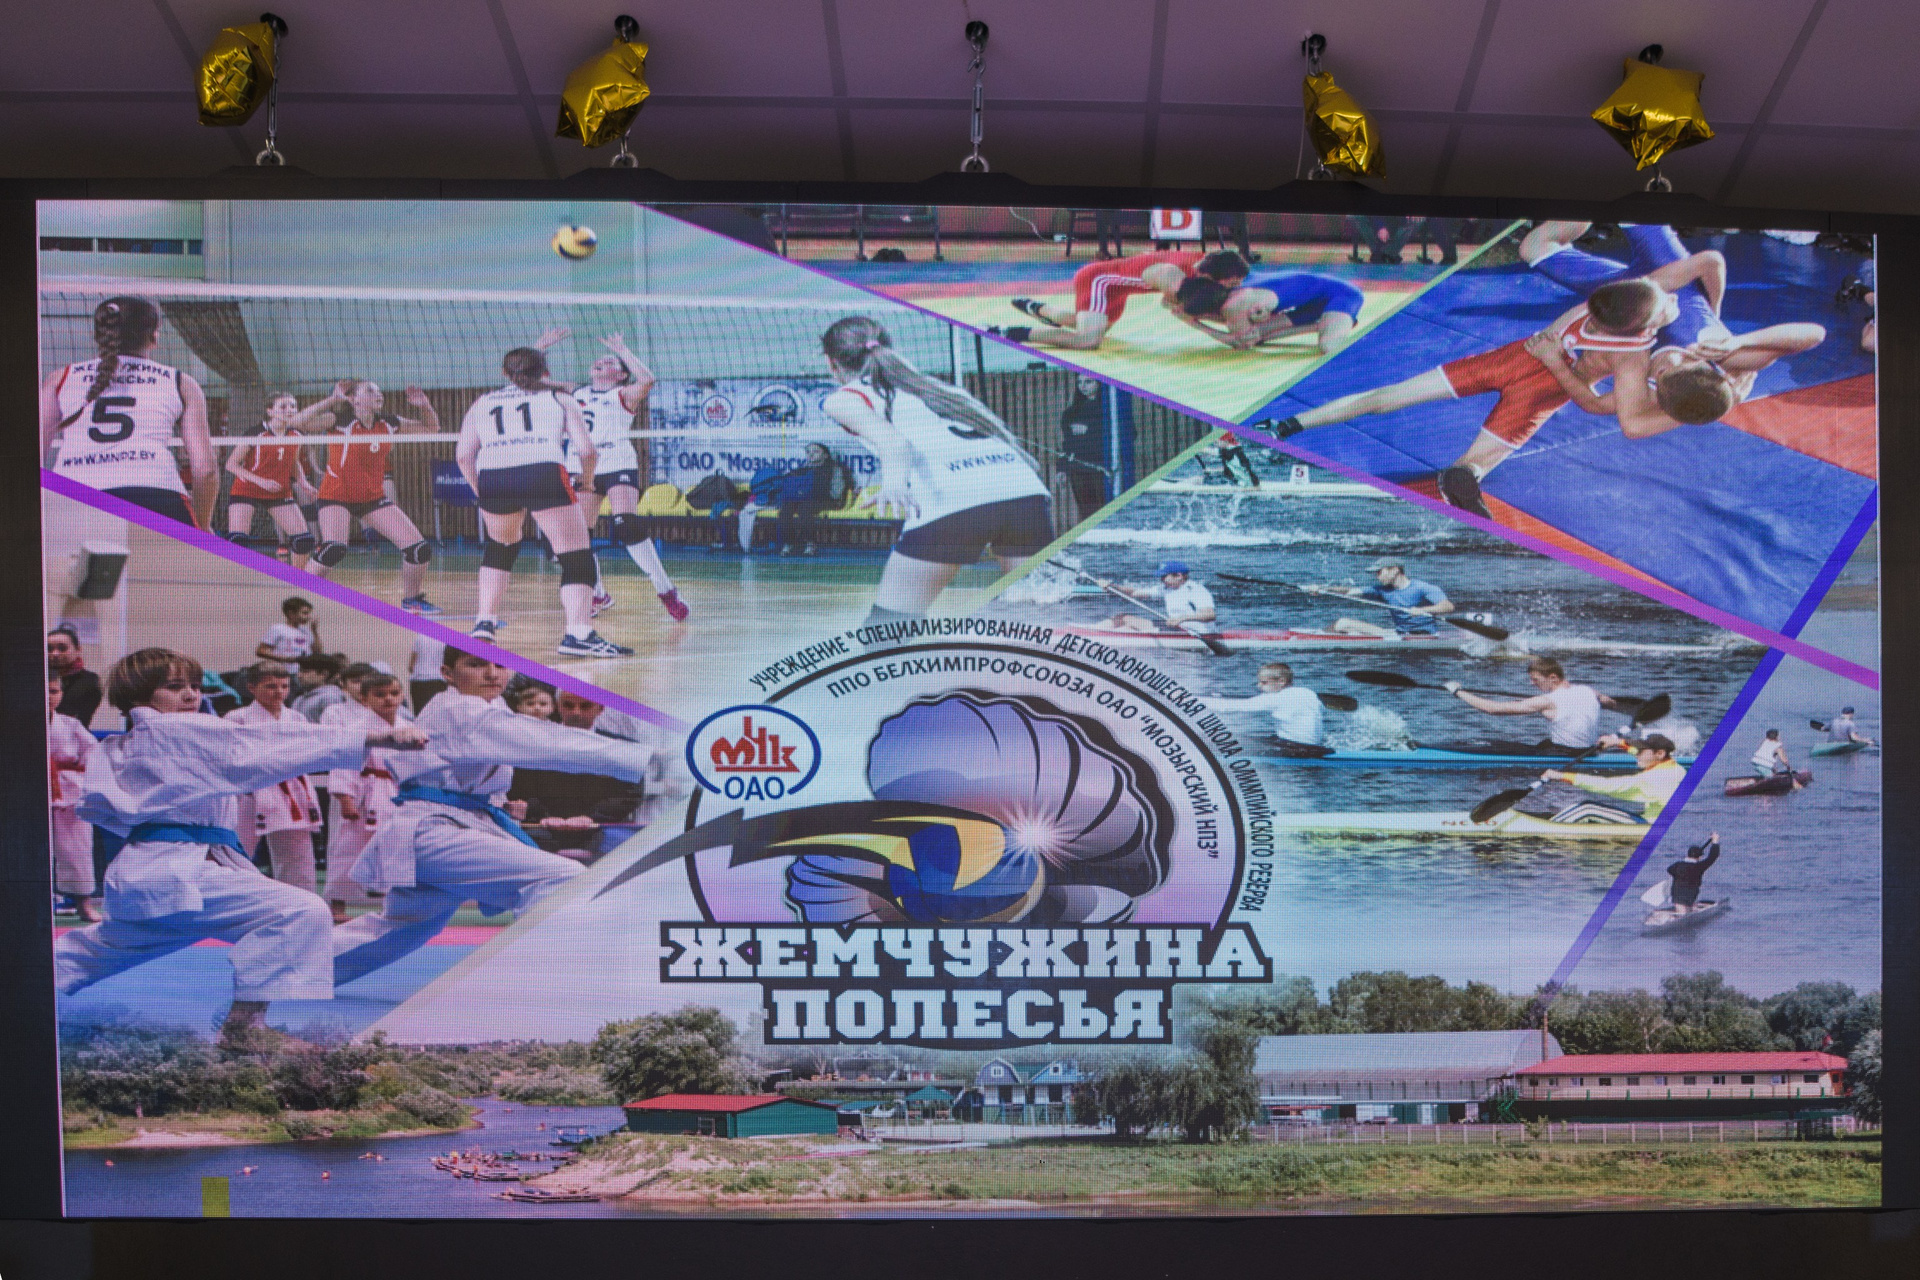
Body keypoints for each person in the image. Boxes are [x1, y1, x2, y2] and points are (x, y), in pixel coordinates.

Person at [52, 647, 425, 1041]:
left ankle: (24, 983)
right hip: (177, 870)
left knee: (95, 952)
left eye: (194, 686)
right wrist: (374, 736)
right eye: (174, 687)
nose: (191, 694)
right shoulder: (176, 730)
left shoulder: (130, 742)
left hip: (151, 873)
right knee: (300, 910)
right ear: (139, 695)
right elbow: (263, 743)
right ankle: (245, 1027)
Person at [1266, 257, 1727, 516]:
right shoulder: (1632, 358)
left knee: (1383, 399)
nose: (1674, 302)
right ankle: (1457, 484)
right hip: (1545, 390)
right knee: (1472, 469)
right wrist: (1713, 324)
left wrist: (1705, 313)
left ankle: (1285, 425)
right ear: (1643, 327)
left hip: (1512, 358)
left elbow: (1704, 263)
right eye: (1666, 307)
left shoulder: (1613, 301)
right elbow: (1598, 408)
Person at [331, 647, 651, 986]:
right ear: (447, 673)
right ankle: (541, 983)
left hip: (448, 825)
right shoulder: (460, 709)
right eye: (476, 664)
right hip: (434, 830)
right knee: (563, 877)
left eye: (500, 665)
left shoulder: (489, 707)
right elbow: (547, 743)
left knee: (398, 930)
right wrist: (646, 757)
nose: (492, 673)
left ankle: (295, 972)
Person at [819, 317, 1054, 624]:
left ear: (832, 363)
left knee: (888, 632)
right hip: (1023, 492)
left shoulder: (844, 398)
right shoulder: (938, 388)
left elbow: (894, 443)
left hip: (953, 499)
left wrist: (893, 485)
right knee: (1036, 617)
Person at [457, 347, 634, 658]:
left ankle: (484, 623)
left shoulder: (482, 402)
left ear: (504, 373)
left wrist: (480, 490)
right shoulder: (559, 398)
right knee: (576, 555)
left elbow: (463, 456)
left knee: (500, 547)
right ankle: (579, 634)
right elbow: (587, 451)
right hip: (542, 472)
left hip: (494, 477)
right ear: (546, 373)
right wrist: (587, 481)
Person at [534, 328, 689, 621]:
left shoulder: (623, 394)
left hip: (616, 460)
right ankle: (597, 593)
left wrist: (622, 351)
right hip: (582, 463)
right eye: (600, 361)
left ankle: (667, 591)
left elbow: (648, 380)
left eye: (610, 363)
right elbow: (530, 380)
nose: (601, 362)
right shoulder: (574, 391)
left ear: (620, 375)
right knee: (580, 535)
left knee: (626, 525)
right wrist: (541, 346)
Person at [40, 296, 218, 526]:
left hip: (74, 496)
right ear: (154, 336)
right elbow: (206, 470)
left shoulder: (60, 379)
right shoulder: (180, 382)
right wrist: (202, 526)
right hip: (155, 495)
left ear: (99, 335)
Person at [296, 378, 442, 615]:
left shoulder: (388, 423)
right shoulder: (339, 421)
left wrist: (425, 406)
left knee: (418, 549)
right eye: (371, 390)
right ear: (353, 399)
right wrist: (332, 400)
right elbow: (298, 422)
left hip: (371, 498)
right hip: (336, 495)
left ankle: (412, 600)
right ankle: (299, 598)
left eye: (379, 390)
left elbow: (431, 428)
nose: (378, 394)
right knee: (334, 548)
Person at [989, 250, 1251, 351]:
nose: (1233, 290)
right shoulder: (1172, 276)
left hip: (1119, 290)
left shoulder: (1205, 264)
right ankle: (1010, 332)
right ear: (1212, 276)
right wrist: (1228, 329)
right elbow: (1176, 309)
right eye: (1231, 284)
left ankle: (1039, 309)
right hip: (1099, 280)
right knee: (1088, 340)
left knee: (1084, 324)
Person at [225, 662, 326, 896]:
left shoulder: (296, 718)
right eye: (271, 686)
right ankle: (231, 897)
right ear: (252, 687)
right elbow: (229, 756)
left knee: (297, 854)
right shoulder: (237, 718)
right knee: (237, 848)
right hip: (250, 789)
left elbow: (308, 753)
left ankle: (300, 902)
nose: (279, 692)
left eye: (284, 686)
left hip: (291, 789)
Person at [321, 670, 407, 924]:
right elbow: (343, 766)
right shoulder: (358, 729)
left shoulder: (407, 727)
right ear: (365, 699)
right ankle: (337, 904)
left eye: (394, 693)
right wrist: (345, 799)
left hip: (395, 795)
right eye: (380, 695)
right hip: (363, 796)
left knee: (393, 851)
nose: (388, 699)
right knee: (347, 850)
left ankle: (392, 905)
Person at [225, 393, 320, 570]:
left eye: (293, 406)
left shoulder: (296, 435)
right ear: (270, 411)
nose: (289, 410)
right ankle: (233, 580)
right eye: (283, 406)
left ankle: (296, 579)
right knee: (237, 541)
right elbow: (231, 464)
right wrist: (261, 481)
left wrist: (304, 484)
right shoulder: (256, 433)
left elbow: (294, 462)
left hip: (278, 491)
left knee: (303, 541)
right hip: (247, 489)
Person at [1444, 656, 1619, 752]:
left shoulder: (1546, 701)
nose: (1532, 683)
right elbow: (1609, 702)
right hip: (1588, 750)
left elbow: (1492, 709)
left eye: (1535, 680)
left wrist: (1458, 692)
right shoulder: (1589, 691)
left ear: (1553, 677)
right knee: (1543, 744)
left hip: (1565, 754)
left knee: (1496, 746)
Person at [1172, 271, 1365, 354]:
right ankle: (1317, 325)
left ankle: (1331, 324)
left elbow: (1241, 343)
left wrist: (1194, 323)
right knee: (1257, 334)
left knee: (1328, 346)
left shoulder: (1236, 304)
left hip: (1341, 295)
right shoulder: (1231, 287)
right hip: (1310, 303)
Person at [1524, 733, 1685, 821]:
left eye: (1641, 752)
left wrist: (1562, 776)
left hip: (1651, 826)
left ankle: (1546, 826)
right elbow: (1637, 752)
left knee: (1587, 809)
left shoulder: (1654, 778)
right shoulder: (1674, 767)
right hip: (1655, 818)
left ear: (1660, 753)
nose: (1637, 755)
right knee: (1588, 807)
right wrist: (1616, 742)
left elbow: (1605, 785)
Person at [48, 667, 101, 920]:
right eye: (42, 692)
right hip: (29, 790)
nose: (48, 697)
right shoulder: (16, 725)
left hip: (68, 791)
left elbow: (93, 752)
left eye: (53, 691)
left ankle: (84, 904)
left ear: (61, 693)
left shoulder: (70, 724)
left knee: (77, 848)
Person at [1200, 663, 1323, 755]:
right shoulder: (1308, 693)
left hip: (1297, 749)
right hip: (1316, 747)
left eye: (1264, 682)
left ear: (1281, 681)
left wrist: (1195, 702)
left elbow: (1232, 707)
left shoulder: (1276, 698)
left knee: (1227, 740)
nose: (1259, 686)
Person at [1312, 559, 1454, 637]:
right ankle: (1315, 637)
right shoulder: (1383, 590)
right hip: (1399, 634)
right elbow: (1349, 591)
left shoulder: (1421, 587)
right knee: (1342, 623)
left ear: (1395, 570)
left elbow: (1448, 606)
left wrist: (1422, 610)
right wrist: (1323, 589)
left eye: (1379, 572)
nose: (1377, 577)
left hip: (1424, 635)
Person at [1098, 561, 1218, 635]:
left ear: (1179, 576)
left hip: (1195, 632)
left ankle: (1096, 634)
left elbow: (1210, 615)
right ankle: (1095, 631)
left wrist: (1182, 618)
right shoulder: (1166, 588)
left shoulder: (1196, 590)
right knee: (1124, 622)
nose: (1161, 580)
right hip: (1175, 628)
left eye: (1164, 577)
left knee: (1126, 623)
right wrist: (1111, 586)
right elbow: (1134, 592)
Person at [1058, 376, 1112, 520]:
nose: (1083, 386)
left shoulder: (1110, 409)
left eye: (1088, 381)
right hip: (1078, 470)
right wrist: (1062, 468)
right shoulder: (1071, 412)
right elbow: (1067, 444)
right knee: (1086, 514)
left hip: (1102, 468)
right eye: (1079, 382)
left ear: (1099, 383)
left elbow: (1129, 433)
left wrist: (1090, 430)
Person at [48, 625, 103, 728]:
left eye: (62, 648)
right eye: (49, 649)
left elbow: (79, 720)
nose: (55, 654)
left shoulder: (90, 681)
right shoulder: (39, 678)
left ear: (78, 649)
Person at [1664, 832, 1721, 916]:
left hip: (1677, 896)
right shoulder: (1699, 867)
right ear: (1700, 857)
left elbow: (1669, 870)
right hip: (1690, 897)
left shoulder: (1677, 865)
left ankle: (1680, 914)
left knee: (1682, 911)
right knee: (1685, 913)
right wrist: (1715, 842)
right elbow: (1713, 857)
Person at [258, 596, 323, 661]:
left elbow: (318, 652)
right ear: (291, 614)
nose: (308, 617)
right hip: (283, 666)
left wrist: (314, 631)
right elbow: (261, 651)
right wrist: (284, 658)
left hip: (305, 666)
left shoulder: (306, 631)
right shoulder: (277, 629)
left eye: (309, 614)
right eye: (305, 613)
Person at [290, 654, 349, 722]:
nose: (299, 675)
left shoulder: (331, 697)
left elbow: (333, 726)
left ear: (324, 674)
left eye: (305, 671)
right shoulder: (299, 698)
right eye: (299, 671)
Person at [407, 632, 448, 715]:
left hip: (418, 681)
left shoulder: (420, 637)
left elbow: (411, 666)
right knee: (437, 715)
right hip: (438, 681)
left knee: (420, 714)